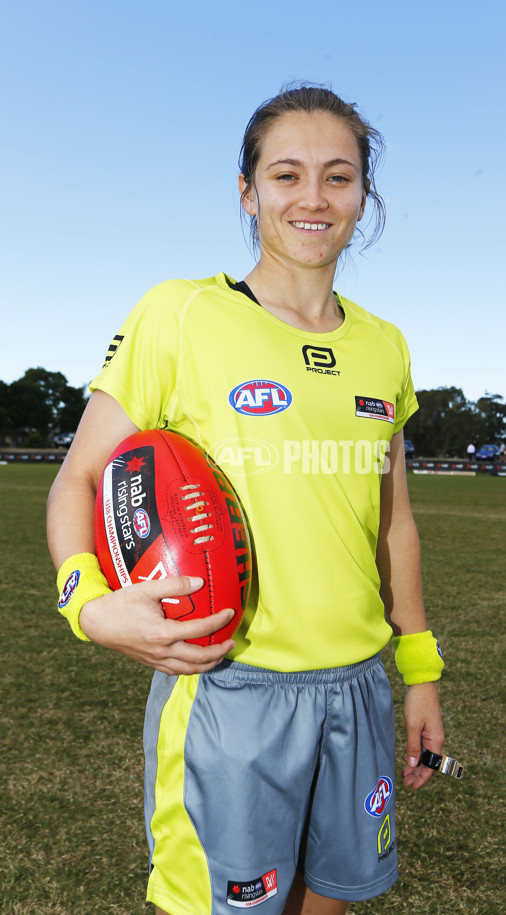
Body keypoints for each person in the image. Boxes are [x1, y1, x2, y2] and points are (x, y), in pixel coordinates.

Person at [47, 84, 445, 915]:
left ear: (363, 197)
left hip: (358, 687)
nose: (312, 197)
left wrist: (418, 673)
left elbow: (395, 523)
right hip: (230, 690)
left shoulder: (385, 346)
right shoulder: (181, 314)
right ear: (247, 190)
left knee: (331, 898)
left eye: (338, 177)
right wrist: (88, 604)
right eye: (286, 174)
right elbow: (79, 477)